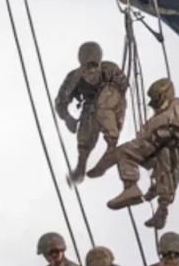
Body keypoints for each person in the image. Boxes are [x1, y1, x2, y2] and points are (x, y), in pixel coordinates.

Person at [86, 77, 179, 231]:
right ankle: (102, 168)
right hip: (159, 147)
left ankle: (131, 188)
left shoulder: (177, 109)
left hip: (165, 147)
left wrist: (153, 137)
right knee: (126, 154)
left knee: (127, 154)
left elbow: (170, 130)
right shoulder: (167, 112)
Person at [54, 41, 128, 185]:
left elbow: (123, 85)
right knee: (88, 122)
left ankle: (111, 150)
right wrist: (67, 117)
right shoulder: (74, 77)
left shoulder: (109, 68)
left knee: (103, 106)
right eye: (87, 62)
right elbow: (60, 100)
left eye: (93, 62)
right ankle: (81, 166)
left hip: (112, 104)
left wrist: (109, 89)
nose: (90, 68)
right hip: (91, 111)